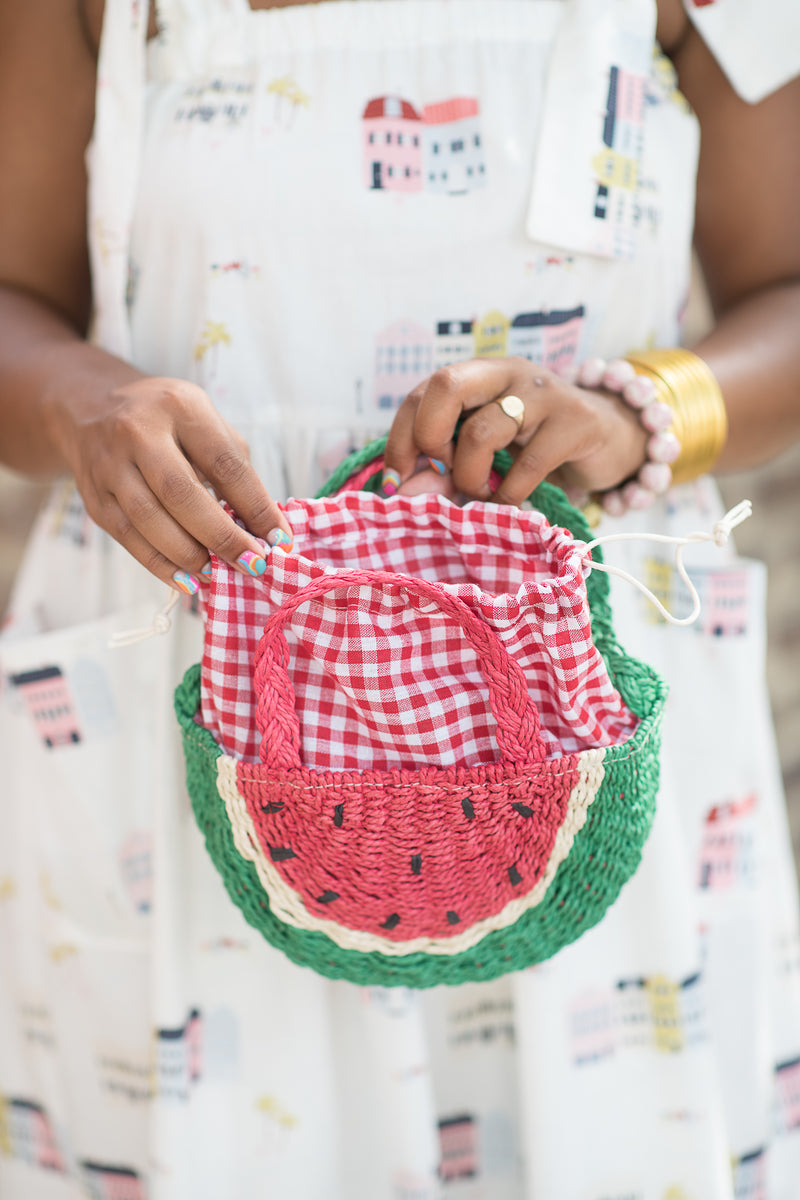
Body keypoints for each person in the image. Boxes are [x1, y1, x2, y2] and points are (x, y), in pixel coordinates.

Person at [0, 0, 799, 1197]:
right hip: (194, 699)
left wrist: (644, 411)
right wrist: (82, 405)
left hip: (567, 708)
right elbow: (17, 298)